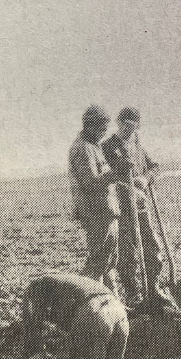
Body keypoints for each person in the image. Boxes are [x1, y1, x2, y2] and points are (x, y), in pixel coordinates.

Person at [101, 107, 179, 316]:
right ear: (119, 123)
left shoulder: (137, 144)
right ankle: (134, 295)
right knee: (126, 254)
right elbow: (113, 173)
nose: (129, 130)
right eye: (125, 125)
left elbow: (154, 167)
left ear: (137, 127)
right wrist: (129, 182)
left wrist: (146, 178)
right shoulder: (108, 146)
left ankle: (153, 288)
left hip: (141, 209)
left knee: (152, 247)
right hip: (121, 209)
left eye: (133, 126)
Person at [21, 272, 129, 359]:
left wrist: (37, 358)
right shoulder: (68, 284)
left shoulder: (33, 290)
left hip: (94, 313)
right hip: (119, 312)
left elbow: (32, 330)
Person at [69, 105, 121, 288]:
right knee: (98, 263)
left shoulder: (93, 146)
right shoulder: (83, 149)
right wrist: (116, 172)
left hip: (106, 211)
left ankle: (112, 302)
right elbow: (90, 184)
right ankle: (88, 303)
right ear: (90, 126)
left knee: (109, 260)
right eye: (102, 129)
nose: (104, 133)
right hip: (96, 213)